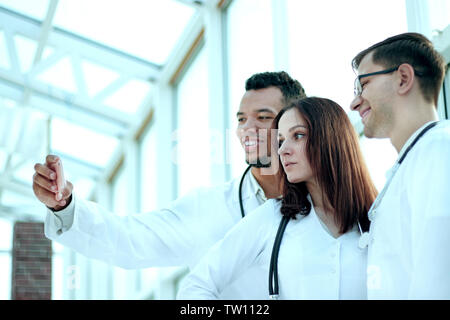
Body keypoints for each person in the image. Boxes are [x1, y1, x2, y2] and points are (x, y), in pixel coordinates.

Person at [32, 71, 306, 299]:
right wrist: (65, 206)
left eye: (263, 116)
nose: (247, 128)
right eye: (241, 119)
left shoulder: (329, 201)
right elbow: (128, 239)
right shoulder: (207, 208)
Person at [177, 97, 378, 299]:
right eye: (280, 141)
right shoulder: (271, 217)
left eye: (298, 136)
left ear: (331, 138)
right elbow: (196, 287)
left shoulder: (376, 217)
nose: (282, 150)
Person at [349, 32, 449, 299]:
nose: (355, 102)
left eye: (364, 85)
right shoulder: (415, 160)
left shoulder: (440, 150)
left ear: (403, 78)